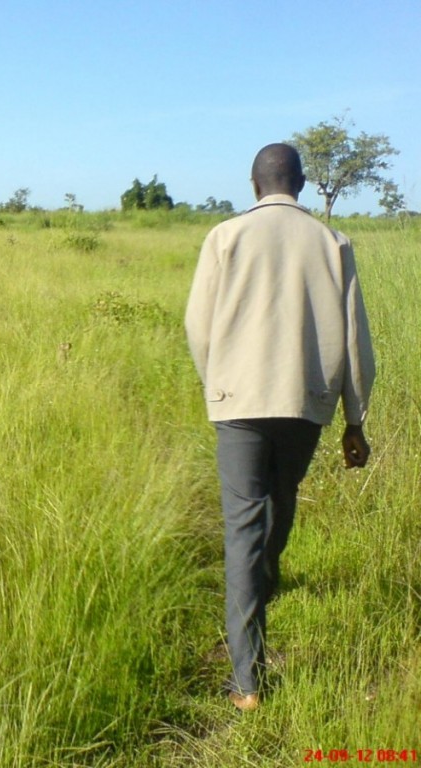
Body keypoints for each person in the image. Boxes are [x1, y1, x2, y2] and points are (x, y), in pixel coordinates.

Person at [184, 143, 376, 712]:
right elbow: (354, 340)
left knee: (243, 526)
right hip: (305, 402)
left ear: (254, 183)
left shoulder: (226, 236)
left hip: (238, 402)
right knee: (281, 501)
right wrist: (354, 418)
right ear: (303, 183)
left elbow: (199, 326)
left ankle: (246, 683)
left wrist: (218, 381)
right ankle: (261, 596)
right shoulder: (332, 241)